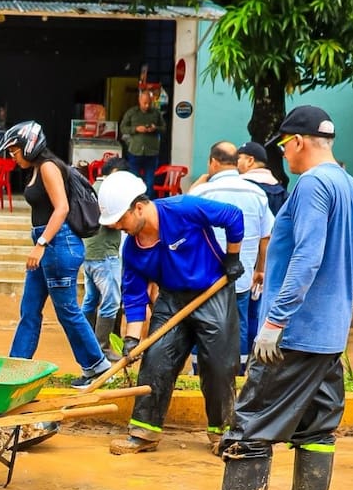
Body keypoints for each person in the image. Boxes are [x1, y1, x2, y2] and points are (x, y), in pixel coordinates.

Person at [180, 105, 353, 490]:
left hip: (294, 333)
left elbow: (308, 256)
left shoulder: (314, 184)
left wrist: (276, 319)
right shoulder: (352, 186)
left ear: (298, 141)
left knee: (251, 421)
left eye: (284, 146)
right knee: (318, 428)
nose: (283, 154)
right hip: (329, 335)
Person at [96, 170, 245, 456]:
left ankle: (223, 432)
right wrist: (132, 339)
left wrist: (233, 257)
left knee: (218, 365)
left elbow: (233, 216)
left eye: (121, 219)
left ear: (139, 207)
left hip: (212, 291)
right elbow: (135, 296)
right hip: (171, 299)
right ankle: (144, 432)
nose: (117, 226)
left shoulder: (183, 209)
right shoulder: (132, 250)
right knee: (156, 359)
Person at [0, 120, 112, 390]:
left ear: (29, 145)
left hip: (58, 245)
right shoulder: (38, 168)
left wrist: (42, 243)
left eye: (14, 150)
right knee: (29, 309)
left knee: (67, 310)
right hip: (48, 245)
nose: (12, 156)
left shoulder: (48, 166)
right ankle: (16, 368)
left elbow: (62, 208)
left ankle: (97, 367)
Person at [193, 141, 274, 373]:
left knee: (202, 324)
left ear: (213, 162)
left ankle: (200, 372)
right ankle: (237, 374)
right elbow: (266, 236)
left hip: (204, 278)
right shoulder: (257, 193)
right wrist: (260, 269)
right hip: (242, 275)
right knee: (239, 324)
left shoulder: (202, 192)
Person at [82, 156, 129, 361]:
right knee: (111, 301)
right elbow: (110, 221)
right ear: (116, 173)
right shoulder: (110, 191)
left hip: (89, 252)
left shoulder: (92, 187)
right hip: (105, 254)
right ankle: (102, 347)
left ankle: (85, 343)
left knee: (90, 299)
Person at [119, 89, 165, 196]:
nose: (147, 105)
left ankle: (148, 202)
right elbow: (122, 128)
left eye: (149, 103)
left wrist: (155, 128)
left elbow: (164, 128)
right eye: (145, 103)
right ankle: (134, 200)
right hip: (135, 151)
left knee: (150, 182)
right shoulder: (132, 112)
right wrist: (136, 129)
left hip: (151, 152)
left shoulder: (156, 113)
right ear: (139, 100)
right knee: (134, 180)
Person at [236, 140, 288, 216]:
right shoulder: (281, 192)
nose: (235, 162)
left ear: (250, 161)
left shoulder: (241, 187)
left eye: (238, 158)